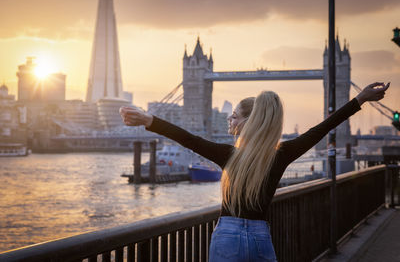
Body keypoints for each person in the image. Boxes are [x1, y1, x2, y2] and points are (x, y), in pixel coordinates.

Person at [119, 82, 390, 262]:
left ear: (251, 122)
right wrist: (359, 100)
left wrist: (148, 120)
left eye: (234, 115)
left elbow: (187, 139)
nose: (229, 119)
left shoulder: (228, 155)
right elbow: (321, 129)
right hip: (261, 237)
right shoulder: (281, 155)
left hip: (227, 236)